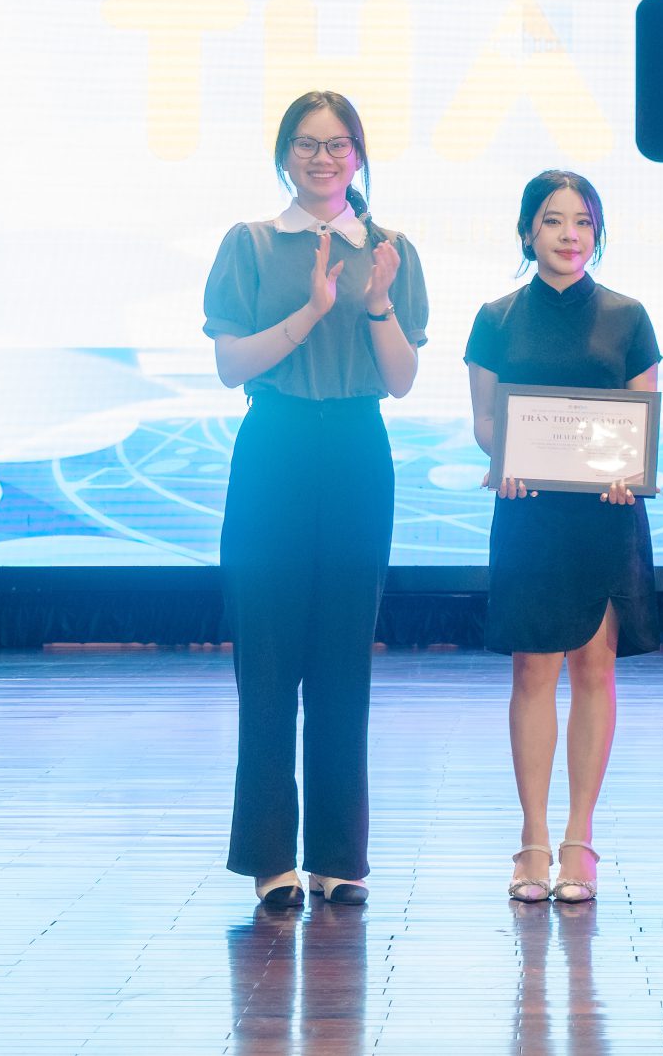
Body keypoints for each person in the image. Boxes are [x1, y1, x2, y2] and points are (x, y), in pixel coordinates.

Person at [203, 90, 428, 910]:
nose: (322, 158)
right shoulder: (252, 243)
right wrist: (311, 311)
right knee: (267, 660)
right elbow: (231, 364)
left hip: (357, 450)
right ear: (284, 155)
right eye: (306, 143)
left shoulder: (392, 251)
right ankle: (271, 858)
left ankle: (339, 855)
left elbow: (401, 380)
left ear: (358, 156)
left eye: (337, 144)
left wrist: (375, 303)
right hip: (274, 446)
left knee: (343, 661)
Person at [466, 171, 663, 905]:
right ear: (528, 232)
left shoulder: (628, 317)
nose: (569, 234)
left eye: (582, 221)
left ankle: (580, 839)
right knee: (531, 672)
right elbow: (487, 421)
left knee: (594, 669)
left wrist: (628, 473)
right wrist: (504, 459)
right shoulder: (495, 318)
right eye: (552, 220)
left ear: (597, 233)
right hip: (529, 516)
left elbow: (642, 420)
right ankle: (532, 838)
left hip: (606, 517)